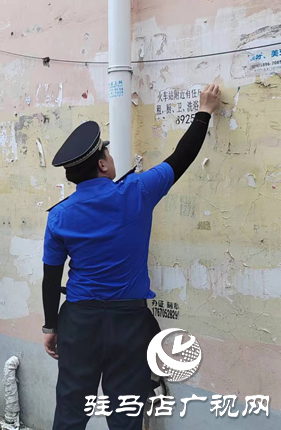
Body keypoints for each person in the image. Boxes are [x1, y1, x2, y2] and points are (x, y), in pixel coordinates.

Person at [41, 85, 221, 429]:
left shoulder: (59, 216)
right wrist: (205, 111)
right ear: (103, 163)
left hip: (78, 324)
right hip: (129, 325)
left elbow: (52, 276)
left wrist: (52, 326)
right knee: (126, 416)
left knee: (70, 412)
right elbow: (181, 157)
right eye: (107, 154)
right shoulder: (137, 192)